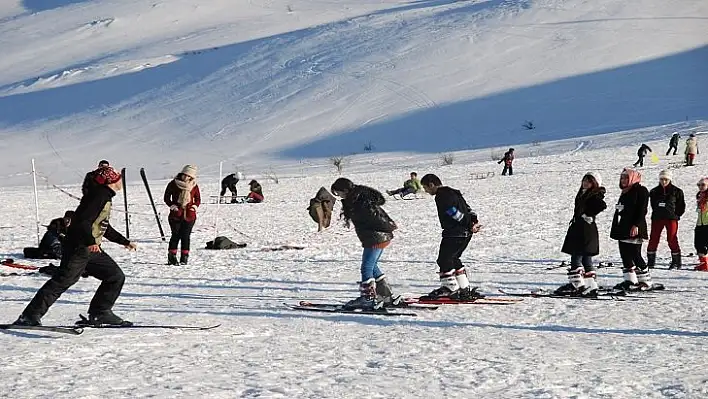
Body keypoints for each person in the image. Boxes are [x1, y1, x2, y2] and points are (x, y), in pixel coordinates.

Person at [13, 166, 137, 326]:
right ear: (111, 181)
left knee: (115, 276)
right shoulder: (99, 195)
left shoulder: (104, 196)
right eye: (118, 177)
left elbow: (101, 225)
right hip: (79, 248)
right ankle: (29, 316)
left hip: (90, 250)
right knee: (62, 281)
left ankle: (100, 313)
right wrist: (91, 242)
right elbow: (82, 222)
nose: (121, 180)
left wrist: (124, 241)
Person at [330, 177, 401, 309]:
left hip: (376, 238)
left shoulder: (360, 203)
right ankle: (385, 295)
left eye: (338, 193)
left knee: (366, 268)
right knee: (372, 266)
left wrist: (388, 227)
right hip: (377, 237)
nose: (339, 196)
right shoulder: (358, 200)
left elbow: (377, 219)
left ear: (345, 190)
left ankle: (367, 298)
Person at [419, 174, 482, 300]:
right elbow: (469, 210)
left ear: (431, 184)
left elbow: (454, 213)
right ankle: (464, 287)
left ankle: (449, 288)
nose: (425, 191)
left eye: (425, 187)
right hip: (465, 233)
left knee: (444, 260)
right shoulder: (454, 192)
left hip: (454, 233)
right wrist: (473, 222)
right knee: (454, 258)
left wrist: (469, 224)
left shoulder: (441, 196)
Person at [555, 172, 607, 297]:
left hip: (584, 230)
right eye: (584, 180)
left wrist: (587, 214)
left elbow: (602, 205)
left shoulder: (594, 194)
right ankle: (590, 285)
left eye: (589, 181)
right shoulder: (584, 193)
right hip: (581, 229)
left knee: (577, 256)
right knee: (586, 257)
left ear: (594, 183)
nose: (585, 183)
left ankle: (577, 285)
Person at [610, 168, 653, 291]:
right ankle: (630, 280)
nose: (623, 180)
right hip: (623, 227)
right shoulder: (625, 191)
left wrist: (636, 225)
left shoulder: (641, 190)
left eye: (626, 178)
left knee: (635, 254)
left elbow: (642, 210)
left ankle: (645, 281)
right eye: (622, 178)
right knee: (624, 254)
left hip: (634, 227)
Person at [647, 170, 685, 269]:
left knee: (671, 238)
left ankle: (676, 261)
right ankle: (650, 261)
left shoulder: (677, 191)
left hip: (671, 219)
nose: (663, 181)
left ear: (669, 179)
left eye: (666, 179)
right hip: (657, 218)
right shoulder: (654, 191)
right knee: (654, 238)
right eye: (662, 179)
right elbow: (653, 205)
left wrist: (676, 214)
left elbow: (681, 205)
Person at [164, 165, 201, 265]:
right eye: (185, 174)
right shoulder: (173, 184)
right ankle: (172, 257)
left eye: (189, 176)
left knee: (186, 236)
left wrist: (194, 207)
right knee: (175, 235)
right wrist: (172, 206)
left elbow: (198, 199)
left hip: (189, 215)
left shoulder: (194, 185)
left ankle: (184, 257)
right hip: (176, 214)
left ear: (192, 177)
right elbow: (166, 197)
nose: (186, 177)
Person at [693, 177, 708, 271]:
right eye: (699, 185)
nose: (700, 187)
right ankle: (703, 263)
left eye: (703, 185)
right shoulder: (699, 195)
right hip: (700, 223)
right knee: (698, 244)